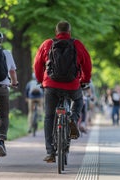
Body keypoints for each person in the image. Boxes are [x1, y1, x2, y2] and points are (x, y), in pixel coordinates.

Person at [34, 21, 92, 163]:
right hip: (72, 85)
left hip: (51, 86)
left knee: (49, 116)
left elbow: (37, 64)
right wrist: (85, 80)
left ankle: (50, 152)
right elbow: (87, 63)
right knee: (79, 100)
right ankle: (73, 119)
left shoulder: (47, 44)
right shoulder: (77, 44)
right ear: (69, 32)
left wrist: (41, 80)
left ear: (56, 31)